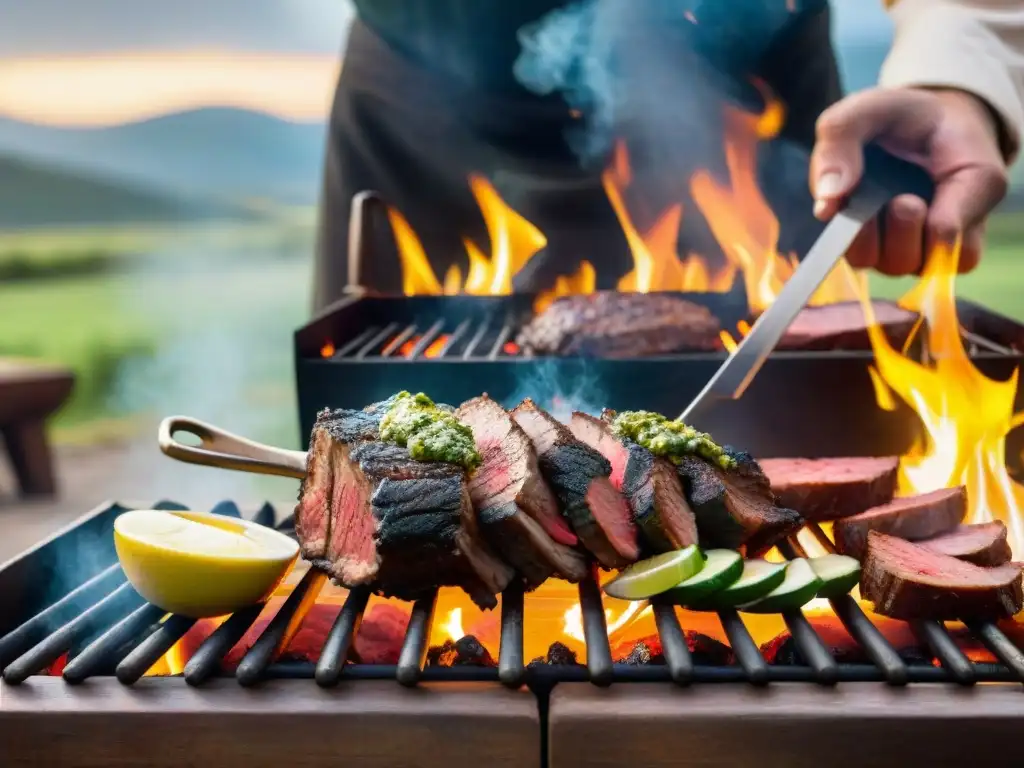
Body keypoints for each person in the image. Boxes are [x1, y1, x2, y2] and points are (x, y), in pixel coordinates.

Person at [312, 0, 1024, 311]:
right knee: (393, 477)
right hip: (425, 101)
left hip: (743, 99)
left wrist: (958, 74)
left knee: (785, 451)